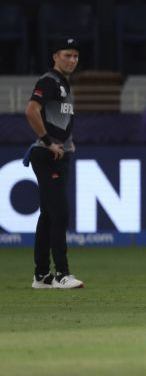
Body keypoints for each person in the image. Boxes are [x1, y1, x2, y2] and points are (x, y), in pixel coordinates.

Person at [24, 38, 84, 290]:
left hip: (59, 153)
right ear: (55, 56)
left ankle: (41, 276)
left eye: (75, 56)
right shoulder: (49, 81)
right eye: (67, 55)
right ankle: (62, 274)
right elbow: (31, 110)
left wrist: (68, 142)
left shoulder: (63, 83)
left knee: (48, 216)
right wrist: (48, 142)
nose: (71, 60)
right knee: (60, 213)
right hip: (49, 156)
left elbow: (57, 119)